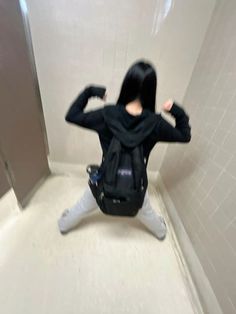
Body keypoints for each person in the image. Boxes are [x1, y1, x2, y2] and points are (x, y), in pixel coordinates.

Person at [58, 60, 191, 239]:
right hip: (136, 184)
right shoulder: (155, 123)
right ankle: (161, 231)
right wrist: (176, 111)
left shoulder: (107, 115)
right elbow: (184, 135)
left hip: (105, 180)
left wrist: (90, 91)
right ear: (152, 90)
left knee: (83, 205)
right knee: (146, 211)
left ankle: (64, 224)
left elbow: (72, 115)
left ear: (127, 84)